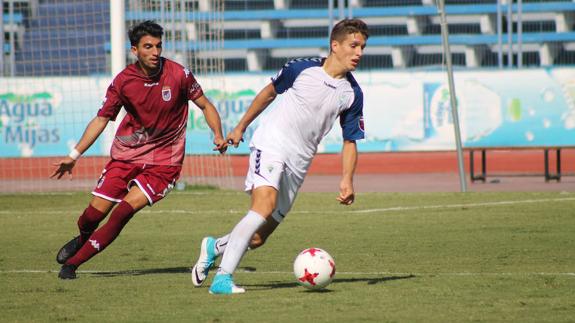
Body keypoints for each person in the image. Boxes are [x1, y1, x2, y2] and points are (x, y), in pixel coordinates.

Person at [191, 18, 369, 294]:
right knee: (263, 206)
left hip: (300, 161)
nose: (359, 53)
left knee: (259, 237)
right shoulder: (302, 68)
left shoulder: (352, 93)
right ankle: (222, 279)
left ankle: (214, 248)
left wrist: (347, 179)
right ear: (335, 45)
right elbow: (269, 93)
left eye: (362, 47)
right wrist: (240, 127)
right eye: (353, 46)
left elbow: (350, 140)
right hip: (272, 143)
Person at [51, 20, 227, 279]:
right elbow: (101, 119)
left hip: (164, 164)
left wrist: (218, 134)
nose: (155, 52)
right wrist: (73, 156)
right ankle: (83, 239)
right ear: (135, 50)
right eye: (148, 46)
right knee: (91, 216)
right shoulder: (123, 82)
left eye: (158, 46)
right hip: (126, 156)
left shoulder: (179, 74)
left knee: (122, 212)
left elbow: (206, 106)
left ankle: (72, 265)